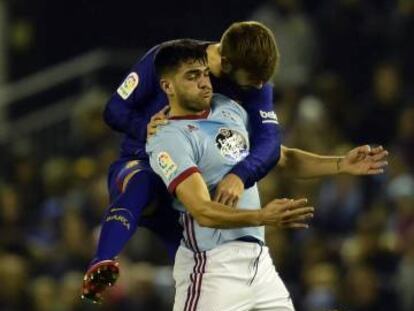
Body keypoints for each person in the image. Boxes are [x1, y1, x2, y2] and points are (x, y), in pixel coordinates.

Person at [82, 21, 285, 303]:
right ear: (225, 64)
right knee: (141, 183)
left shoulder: (252, 84)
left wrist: (240, 174)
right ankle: (102, 261)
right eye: (252, 81)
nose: (259, 88)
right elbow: (114, 109)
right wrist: (144, 127)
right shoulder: (167, 60)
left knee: (195, 273)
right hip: (145, 163)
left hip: (189, 186)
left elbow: (271, 143)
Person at [147, 39, 312, 311]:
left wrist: (342, 163)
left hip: (259, 263)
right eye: (191, 76)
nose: (204, 82)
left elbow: (282, 157)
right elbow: (202, 210)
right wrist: (262, 216)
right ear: (167, 86)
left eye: (203, 73)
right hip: (213, 267)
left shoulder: (228, 108)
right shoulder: (168, 138)